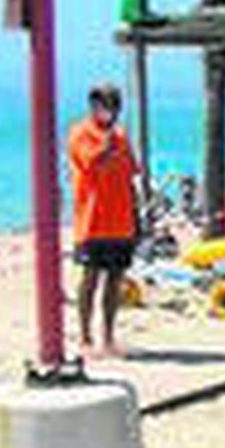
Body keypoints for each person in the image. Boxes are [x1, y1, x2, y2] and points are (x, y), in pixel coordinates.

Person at [67, 84, 141, 358]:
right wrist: (107, 146)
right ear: (93, 106)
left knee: (115, 280)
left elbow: (132, 171)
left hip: (121, 221)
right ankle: (85, 338)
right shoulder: (81, 133)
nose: (110, 112)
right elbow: (90, 162)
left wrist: (136, 214)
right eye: (105, 105)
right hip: (93, 220)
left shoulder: (121, 137)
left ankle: (108, 337)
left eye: (114, 106)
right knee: (90, 278)